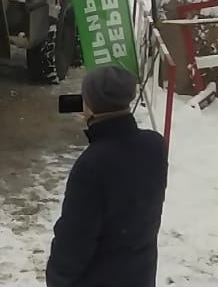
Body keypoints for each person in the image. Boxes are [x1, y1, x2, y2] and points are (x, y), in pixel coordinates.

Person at [46, 66, 168, 287]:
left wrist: (57, 279)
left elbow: (74, 241)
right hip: (140, 276)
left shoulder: (92, 164)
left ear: (89, 105)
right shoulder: (155, 146)